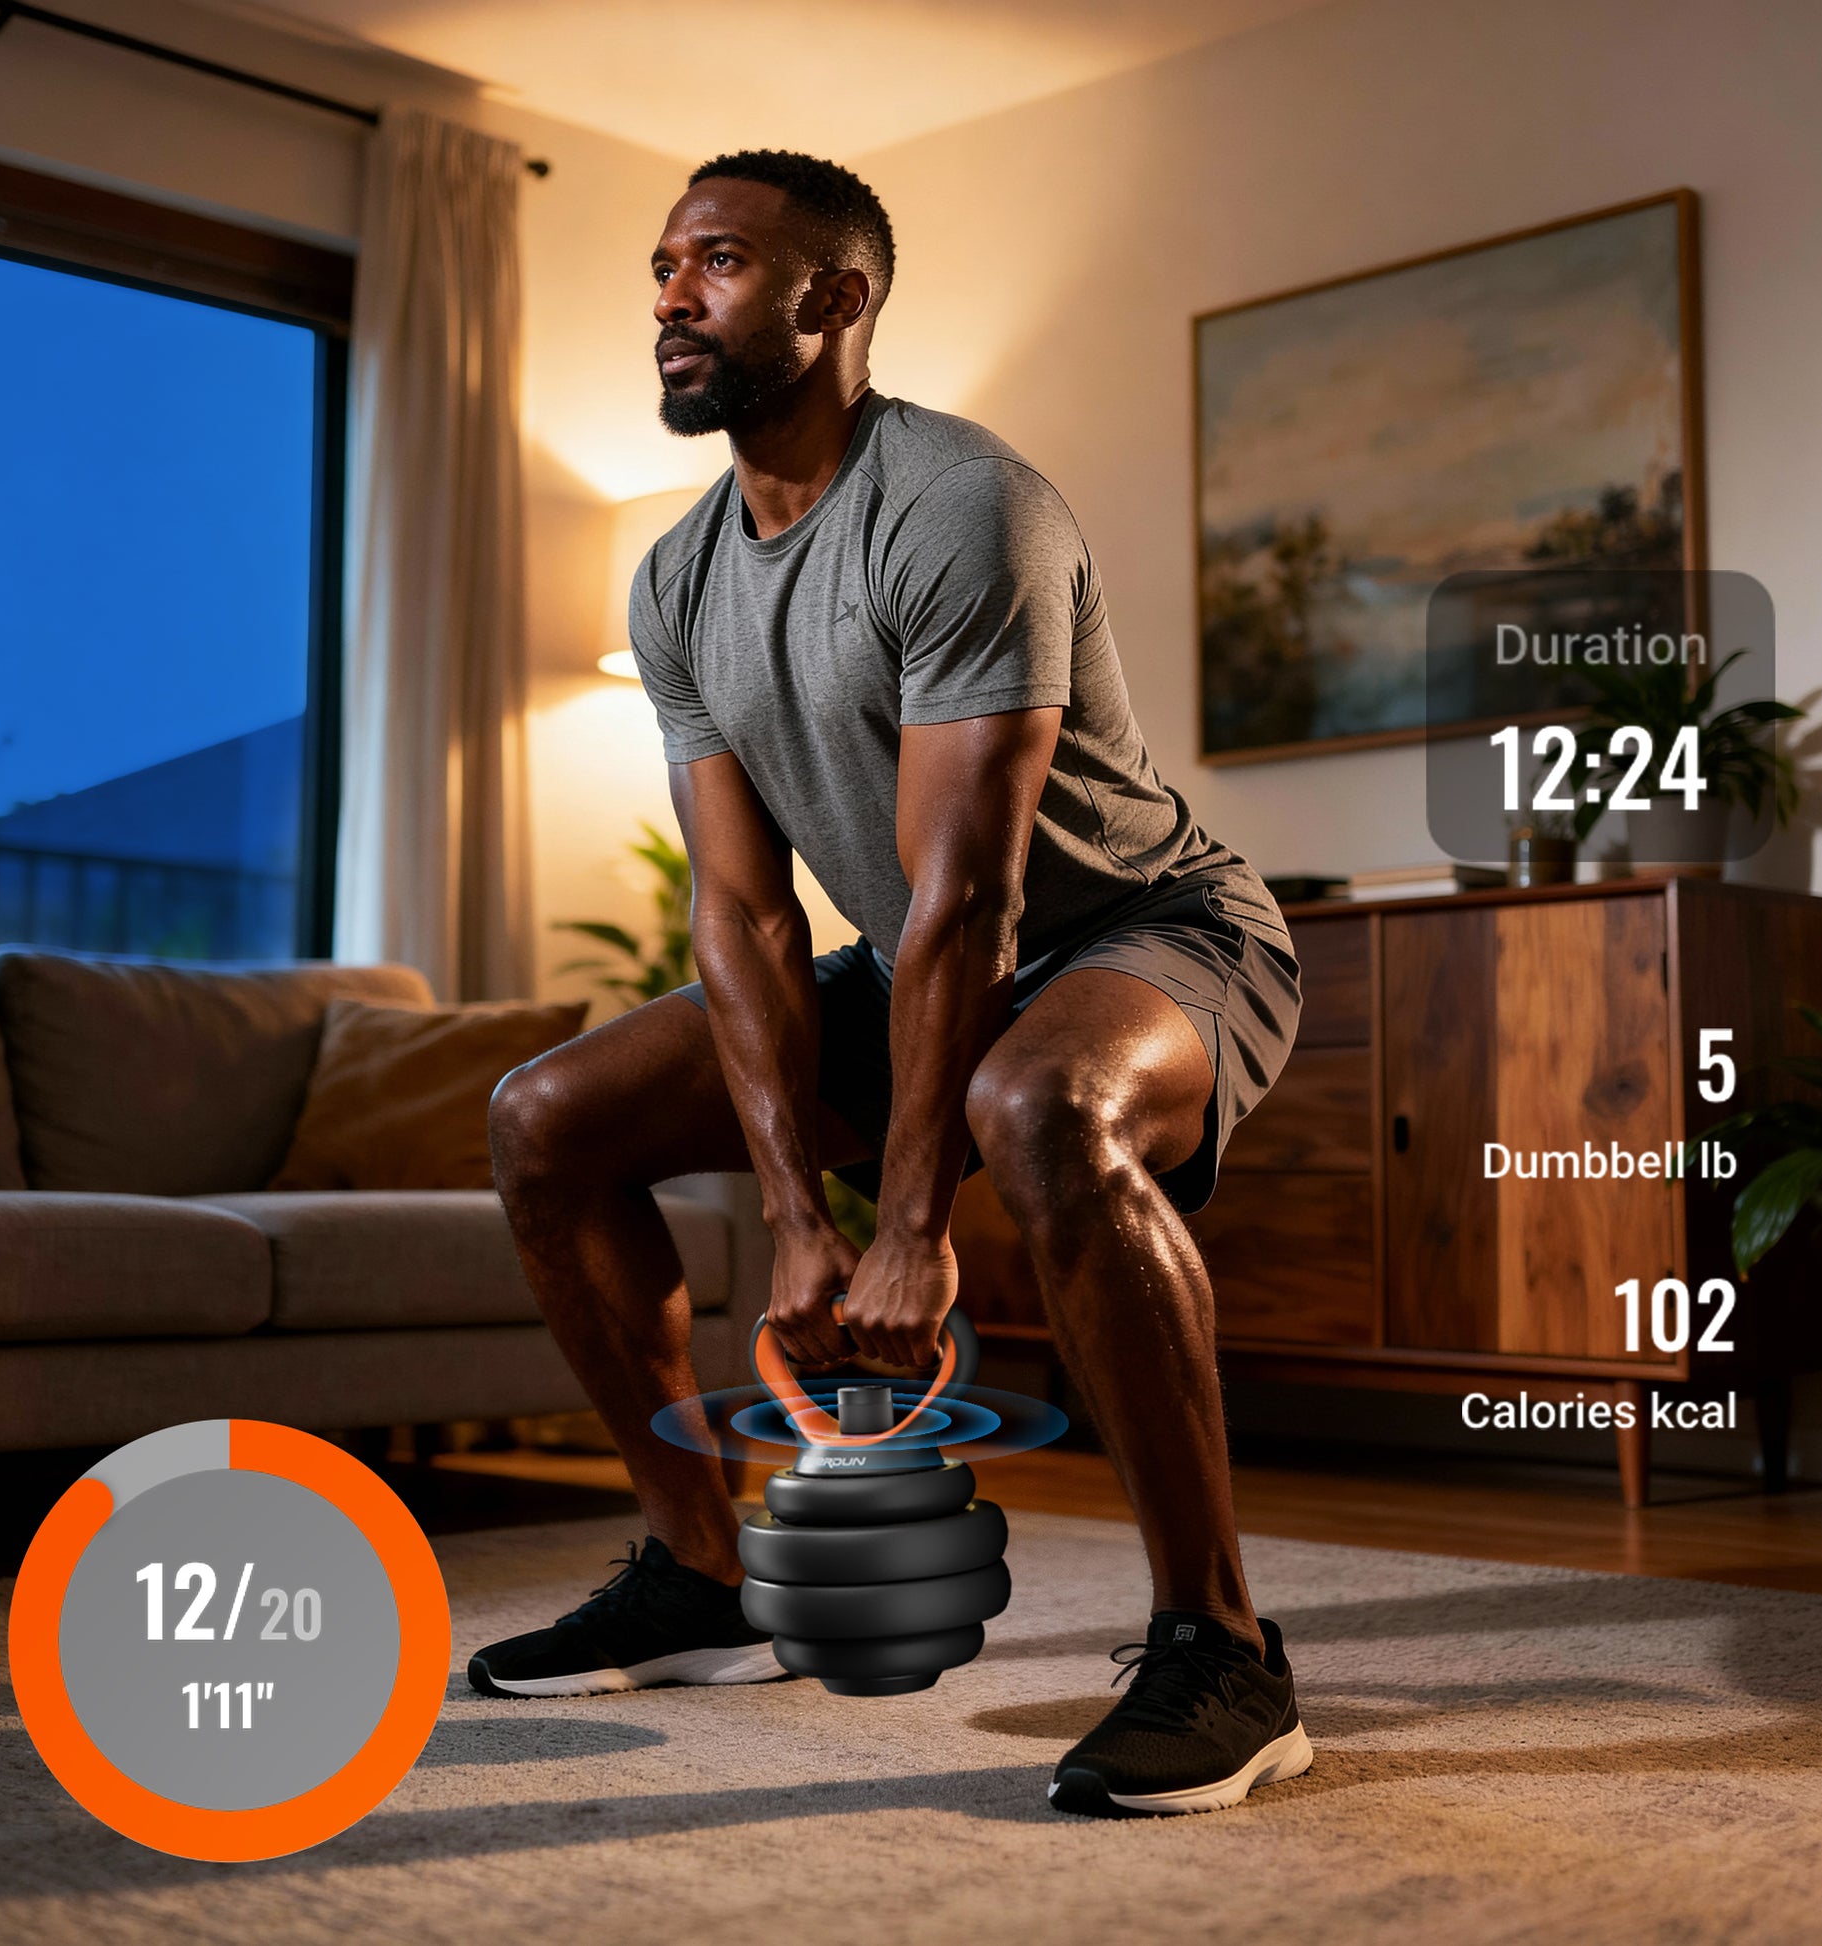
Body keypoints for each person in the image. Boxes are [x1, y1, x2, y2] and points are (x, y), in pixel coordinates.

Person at [469, 149, 1310, 1818]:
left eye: (714, 260)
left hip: (1148, 930)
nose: (666, 294)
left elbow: (970, 894)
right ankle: (705, 1580)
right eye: (661, 263)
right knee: (546, 1116)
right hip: (921, 948)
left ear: (836, 299)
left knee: (1037, 1100)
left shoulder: (958, 503)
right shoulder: (677, 577)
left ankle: (1222, 1650)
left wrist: (914, 1220)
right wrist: (797, 1212)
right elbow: (740, 914)